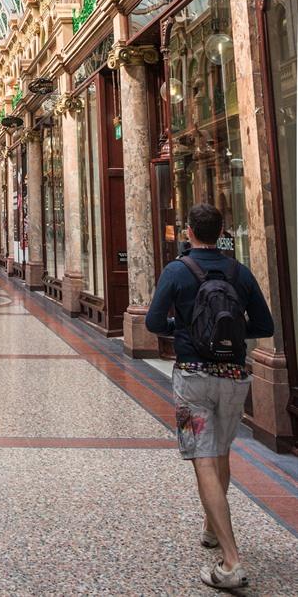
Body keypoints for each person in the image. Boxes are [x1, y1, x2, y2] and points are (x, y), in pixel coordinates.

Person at [146, 203, 274, 592]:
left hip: (192, 379)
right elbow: (265, 325)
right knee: (220, 452)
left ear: (188, 232)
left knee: (202, 458)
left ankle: (231, 561)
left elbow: (153, 322)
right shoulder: (240, 271)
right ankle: (211, 527)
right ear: (221, 233)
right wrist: (230, 332)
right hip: (235, 377)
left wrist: (185, 328)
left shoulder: (176, 271)